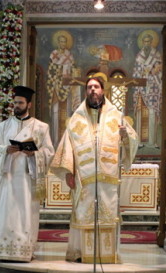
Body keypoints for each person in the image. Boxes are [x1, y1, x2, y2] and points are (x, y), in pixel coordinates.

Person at [50, 76, 138, 263]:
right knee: (84, 213)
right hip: (84, 178)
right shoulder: (76, 118)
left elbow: (132, 140)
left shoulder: (116, 116)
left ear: (103, 90)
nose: (93, 90)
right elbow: (67, 145)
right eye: (89, 87)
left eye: (96, 87)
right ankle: (81, 253)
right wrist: (68, 172)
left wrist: (126, 136)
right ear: (86, 92)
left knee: (107, 214)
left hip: (108, 179)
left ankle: (108, 255)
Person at [0, 86, 54, 262]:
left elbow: (49, 152)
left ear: (28, 104)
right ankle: (5, 251)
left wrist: (34, 154)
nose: (16, 106)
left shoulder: (41, 127)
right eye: (15, 103)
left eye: (20, 103)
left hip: (27, 180)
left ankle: (25, 251)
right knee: (7, 213)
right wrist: (5, 150)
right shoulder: (4, 126)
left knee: (26, 214)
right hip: (9, 179)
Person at [47, 31, 79, 145]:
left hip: (67, 87)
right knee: (56, 111)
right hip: (56, 86)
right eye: (61, 41)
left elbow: (74, 69)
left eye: (65, 42)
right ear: (58, 43)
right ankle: (55, 141)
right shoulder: (54, 54)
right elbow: (51, 71)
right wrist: (60, 70)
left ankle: (67, 143)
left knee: (68, 111)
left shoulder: (69, 55)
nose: (63, 44)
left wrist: (74, 71)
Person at [132, 31, 163, 148]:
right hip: (141, 89)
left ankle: (152, 142)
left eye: (148, 42)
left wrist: (152, 70)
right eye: (144, 42)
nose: (146, 44)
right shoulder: (139, 56)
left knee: (152, 113)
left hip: (154, 88)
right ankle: (139, 141)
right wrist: (143, 72)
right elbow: (136, 72)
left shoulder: (156, 55)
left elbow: (159, 70)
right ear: (142, 42)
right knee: (141, 113)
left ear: (152, 42)